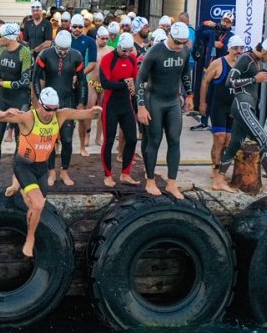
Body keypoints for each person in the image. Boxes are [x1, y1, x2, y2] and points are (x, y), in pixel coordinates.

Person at [0, 87, 101, 257]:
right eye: (47, 109)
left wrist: (96, 111)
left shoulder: (60, 115)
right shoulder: (28, 117)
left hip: (41, 168)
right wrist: (6, 112)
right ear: (39, 105)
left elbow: (88, 115)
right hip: (24, 165)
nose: (50, 113)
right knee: (38, 204)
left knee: (34, 207)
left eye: (54, 109)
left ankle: (17, 186)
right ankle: (29, 240)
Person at [212, 38, 267, 200]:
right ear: (265, 51)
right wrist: (255, 79)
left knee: (234, 144)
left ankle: (219, 180)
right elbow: (230, 81)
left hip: (247, 107)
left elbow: (260, 79)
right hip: (242, 106)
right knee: (265, 141)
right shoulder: (245, 59)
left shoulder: (256, 60)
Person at [136, 21, 192, 199]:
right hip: (155, 100)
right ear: (170, 37)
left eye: (183, 43)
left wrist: (189, 94)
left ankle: (171, 183)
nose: (180, 46)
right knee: (154, 140)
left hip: (173, 101)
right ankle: (151, 180)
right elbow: (140, 80)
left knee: (175, 140)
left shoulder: (183, 50)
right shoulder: (155, 52)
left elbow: (184, 74)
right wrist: (141, 106)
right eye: (177, 42)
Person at [32, 30, 87, 187]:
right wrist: (39, 100)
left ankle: (64, 171)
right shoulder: (45, 54)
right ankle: (51, 171)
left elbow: (82, 81)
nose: (63, 53)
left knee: (67, 139)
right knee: (49, 139)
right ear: (55, 45)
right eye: (60, 49)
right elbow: (35, 78)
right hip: (49, 101)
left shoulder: (76, 56)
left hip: (67, 100)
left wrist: (81, 102)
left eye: (66, 50)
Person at [0, 22, 33, 188]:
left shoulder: (25, 53)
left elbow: (25, 81)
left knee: (20, 142)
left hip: (19, 101)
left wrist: (2, 84)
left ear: (10, 37)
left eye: (0, 36)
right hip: (2, 99)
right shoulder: (0, 49)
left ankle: (16, 177)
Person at [199, 34, 246, 178]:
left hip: (233, 107)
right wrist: (202, 102)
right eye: (235, 48)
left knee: (229, 140)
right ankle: (215, 168)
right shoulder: (218, 63)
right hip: (218, 106)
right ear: (229, 49)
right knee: (219, 138)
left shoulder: (243, 65)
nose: (239, 51)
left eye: (241, 48)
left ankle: (223, 168)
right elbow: (205, 82)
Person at [99, 32, 140, 187]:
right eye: (124, 50)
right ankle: (108, 175)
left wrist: (132, 84)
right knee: (108, 141)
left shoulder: (131, 58)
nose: (127, 53)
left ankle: (125, 174)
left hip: (125, 104)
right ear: (118, 47)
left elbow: (134, 79)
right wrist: (125, 83)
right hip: (110, 104)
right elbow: (105, 83)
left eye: (130, 50)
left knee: (132, 139)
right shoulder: (108, 59)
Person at [69, 14, 98, 157]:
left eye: (80, 27)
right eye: (74, 26)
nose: (77, 29)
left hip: (81, 81)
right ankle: (56, 145)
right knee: (60, 113)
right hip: (64, 81)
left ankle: (81, 146)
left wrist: (78, 75)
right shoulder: (63, 38)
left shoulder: (89, 41)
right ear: (70, 26)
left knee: (81, 113)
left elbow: (92, 64)